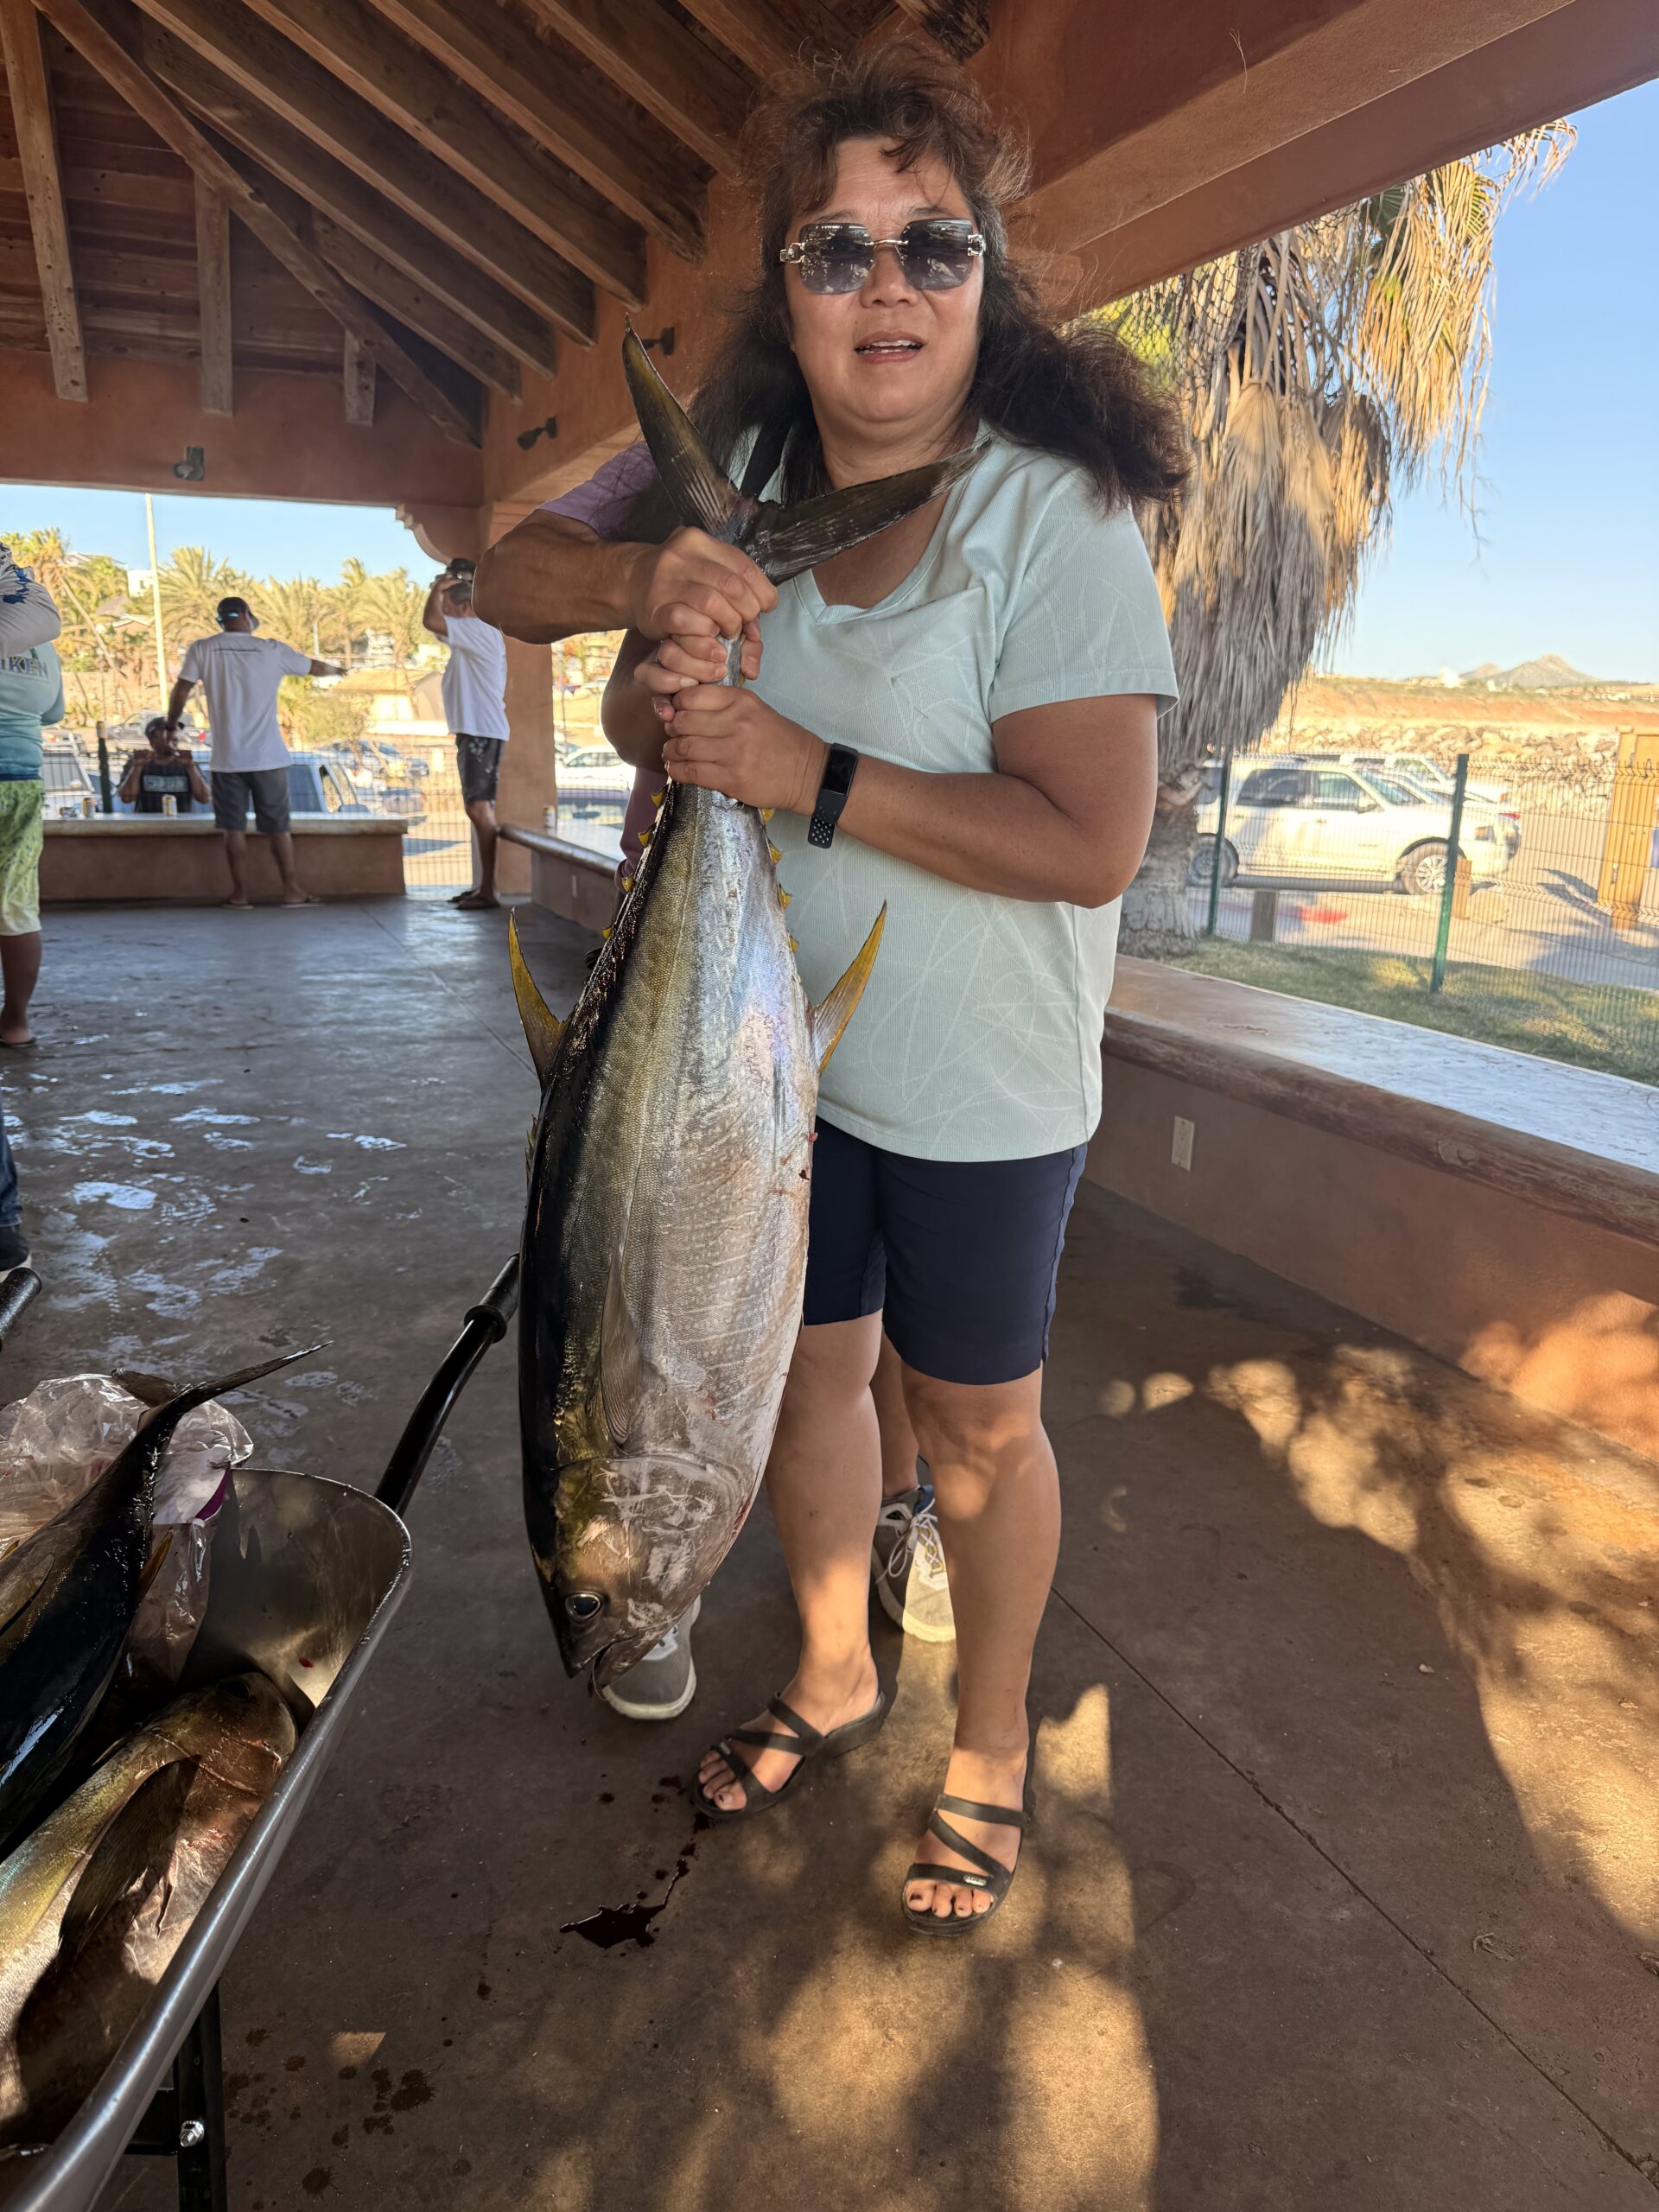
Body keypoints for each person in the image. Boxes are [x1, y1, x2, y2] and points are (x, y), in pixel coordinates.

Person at [476, 45, 1183, 1932]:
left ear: (989, 281)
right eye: (838, 245)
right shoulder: (750, 472)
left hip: (973, 1081)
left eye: (933, 247)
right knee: (805, 1383)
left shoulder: (1059, 517)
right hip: (756, 1071)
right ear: (785, 283)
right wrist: (652, 636)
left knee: (972, 1431)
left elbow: (1093, 838)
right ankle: (832, 1666)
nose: (886, 285)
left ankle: (992, 1744)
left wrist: (806, 772)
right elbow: (510, 566)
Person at [165, 595, 340, 907]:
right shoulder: (271, 649)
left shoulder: (203, 649)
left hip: (226, 758)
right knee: (279, 829)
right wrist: (339, 670)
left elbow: (182, 689)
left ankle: (240, 895)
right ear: (247, 615)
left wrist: (170, 725)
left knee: (233, 829)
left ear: (220, 620)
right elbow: (315, 667)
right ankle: (291, 890)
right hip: (268, 757)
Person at [0, 569, 65, 1274]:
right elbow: (51, 712)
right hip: (20, 778)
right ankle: (15, 1018)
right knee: (16, 907)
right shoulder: (38, 635)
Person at [422, 560, 510, 912]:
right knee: (477, 809)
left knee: (479, 809)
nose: (446, 617)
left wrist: (435, 589)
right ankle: (482, 887)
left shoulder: (479, 628)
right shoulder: (471, 633)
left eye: (450, 609)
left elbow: (430, 622)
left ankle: (489, 890)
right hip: (476, 731)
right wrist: (445, 589)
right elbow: (437, 625)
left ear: (466, 607)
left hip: (481, 731)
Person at [118, 716, 210, 814]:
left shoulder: (187, 763)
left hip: (181, 825)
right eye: (167, 731)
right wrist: (137, 767)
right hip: (147, 825)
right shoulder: (137, 763)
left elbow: (204, 799)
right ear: (152, 739)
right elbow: (127, 798)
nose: (174, 736)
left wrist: (191, 767)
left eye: (176, 731)